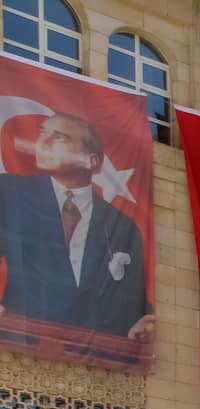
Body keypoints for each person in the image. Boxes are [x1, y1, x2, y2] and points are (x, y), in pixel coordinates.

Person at [0, 112, 155, 339]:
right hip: (20, 343)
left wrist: (140, 326)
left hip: (94, 359)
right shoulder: (10, 192)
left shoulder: (121, 225)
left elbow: (131, 297)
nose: (43, 142)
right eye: (43, 133)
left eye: (60, 137)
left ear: (90, 160)